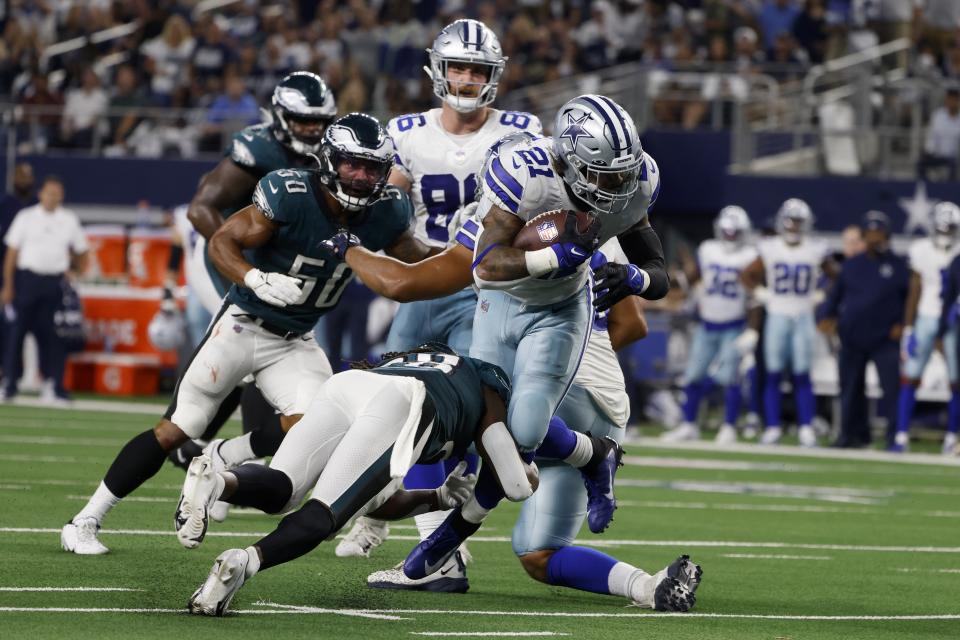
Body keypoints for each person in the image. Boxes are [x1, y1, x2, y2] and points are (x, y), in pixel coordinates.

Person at [60, 113, 436, 555]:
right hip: (242, 324)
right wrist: (255, 278)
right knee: (180, 426)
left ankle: (224, 456)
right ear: (330, 160)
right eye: (351, 164)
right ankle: (85, 519)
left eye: (370, 167)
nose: (359, 176)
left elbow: (414, 258)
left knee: (317, 425)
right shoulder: (291, 192)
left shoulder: (388, 208)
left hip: (296, 340)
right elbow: (222, 240)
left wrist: (466, 257)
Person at [323, 222, 701, 612]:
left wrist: (352, 250)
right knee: (539, 553)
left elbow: (406, 282)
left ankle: (439, 552)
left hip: (557, 401)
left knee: (447, 409)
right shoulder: (599, 230)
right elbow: (633, 324)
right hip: (605, 410)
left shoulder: (508, 223)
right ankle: (648, 586)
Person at [400, 93, 669, 582]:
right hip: (504, 306)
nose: (617, 187)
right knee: (482, 432)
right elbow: (485, 264)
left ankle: (435, 553)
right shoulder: (524, 178)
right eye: (604, 175)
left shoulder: (627, 189)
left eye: (622, 174)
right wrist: (551, 258)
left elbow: (656, 274)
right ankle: (436, 552)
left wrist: (636, 280)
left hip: (567, 328)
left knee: (506, 433)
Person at [335, 18, 542, 580]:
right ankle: (378, 514)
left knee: (466, 409)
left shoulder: (520, 130)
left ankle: (439, 540)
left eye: (479, 69)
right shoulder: (406, 132)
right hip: (427, 281)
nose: (469, 78)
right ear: (439, 69)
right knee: (392, 401)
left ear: (493, 75)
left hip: (487, 290)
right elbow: (387, 209)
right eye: (460, 67)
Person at [182, 344, 530, 615]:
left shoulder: (418, 361)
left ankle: (218, 483)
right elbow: (514, 481)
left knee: (283, 487)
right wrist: (525, 470)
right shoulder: (487, 382)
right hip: (404, 402)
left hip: (348, 384)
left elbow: (378, 503)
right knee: (325, 517)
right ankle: (246, 562)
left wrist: (438, 497)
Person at [167, 71, 337, 478]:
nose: (313, 129)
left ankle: (206, 444)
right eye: (303, 121)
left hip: (281, 267)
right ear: (280, 117)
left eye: (319, 120)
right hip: (223, 257)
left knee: (257, 357)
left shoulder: (332, 152)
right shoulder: (257, 148)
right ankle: (187, 433)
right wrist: (241, 262)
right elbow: (200, 209)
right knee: (247, 343)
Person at [664, 206, 758, 444]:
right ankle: (689, 424)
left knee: (729, 378)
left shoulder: (750, 256)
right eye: (726, 231)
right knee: (693, 375)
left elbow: (755, 296)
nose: (729, 236)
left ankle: (728, 426)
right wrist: (678, 281)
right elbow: (694, 277)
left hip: (734, 324)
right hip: (707, 324)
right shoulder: (708, 250)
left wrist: (753, 329)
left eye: (734, 232)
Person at [819, 211, 909, 449]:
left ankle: (894, 437)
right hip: (853, 336)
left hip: (885, 338)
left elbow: (909, 299)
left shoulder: (898, 266)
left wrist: (903, 324)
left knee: (891, 390)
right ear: (864, 237)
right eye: (870, 234)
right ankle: (851, 435)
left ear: (887, 236)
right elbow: (836, 295)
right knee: (849, 388)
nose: (874, 239)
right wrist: (827, 315)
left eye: (879, 234)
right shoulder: (852, 265)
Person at [742, 198, 826, 446]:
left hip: (803, 315)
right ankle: (773, 427)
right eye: (790, 221)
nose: (793, 226)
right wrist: (760, 293)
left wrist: (823, 295)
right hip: (777, 313)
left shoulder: (815, 248)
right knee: (773, 374)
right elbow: (747, 275)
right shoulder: (770, 247)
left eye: (798, 221)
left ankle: (806, 427)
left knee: (802, 374)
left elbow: (837, 277)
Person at [1, 175, 88, 403]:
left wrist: (76, 271)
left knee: (54, 337)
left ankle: (54, 385)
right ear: (41, 194)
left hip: (55, 283)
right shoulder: (26, 217)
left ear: (62, 196)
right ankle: (9, 384)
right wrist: (8, 286)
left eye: (56, 193)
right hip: (28, 281)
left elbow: (82, 250)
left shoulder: (68, 219)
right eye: (49, 193)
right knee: (16, 334)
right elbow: (11, 253)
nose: (52, 197)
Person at [894, 202, 960, 452]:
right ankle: (901, 434)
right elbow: (915, 290)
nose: (945, 233)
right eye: (942, 228)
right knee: (910, 376)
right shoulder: (921, 249)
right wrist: (909, 328)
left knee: (956, 380)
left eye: (950, 228)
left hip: (953, 320)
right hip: (926, 315)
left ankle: (952, 437)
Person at [0, 162, 35, 380]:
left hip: (29, 273)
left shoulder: (35, 206)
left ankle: (22, 372)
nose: (24, 180)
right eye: (20, 176)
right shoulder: (6, 203)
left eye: (28, 176)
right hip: (5, 269)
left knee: (23, 324)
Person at [919, 86, 960, 182]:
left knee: (952, 165)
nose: (951, 103)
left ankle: (950, 191)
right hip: (937, 155)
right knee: (921, 164)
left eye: (954, 100)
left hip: (953, 157)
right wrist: (929, 151)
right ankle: (927, 188)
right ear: (946, 100)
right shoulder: (937, 116)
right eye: (949, 99)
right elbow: (931, 135)